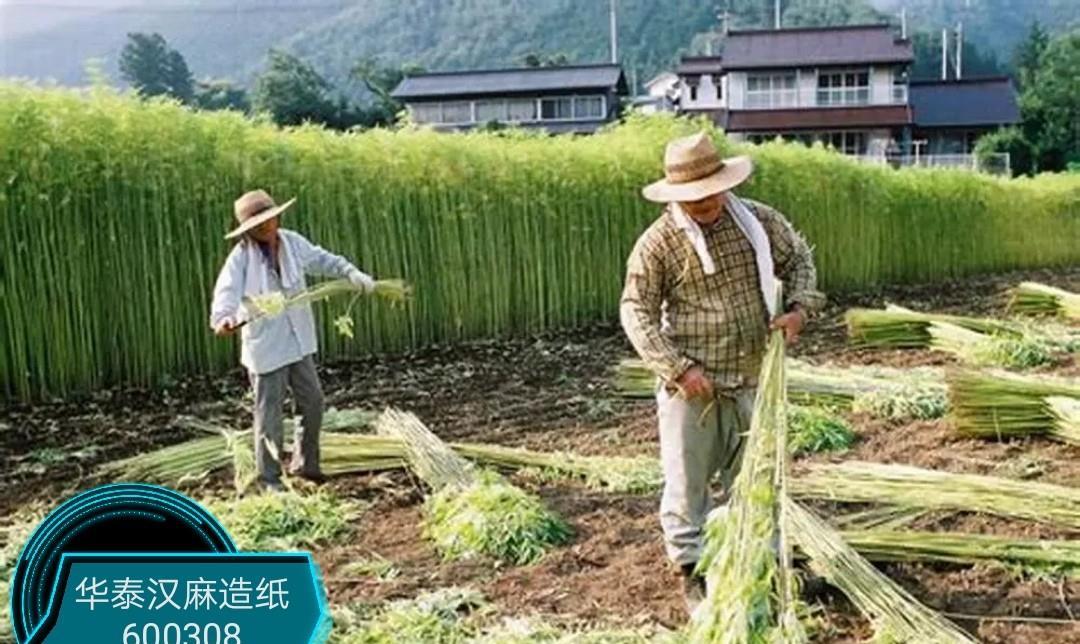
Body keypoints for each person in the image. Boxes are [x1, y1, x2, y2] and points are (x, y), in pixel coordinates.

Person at [619, 132, 824, 612]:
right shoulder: (659, 244)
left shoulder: (757, 222)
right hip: (694, 387)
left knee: (757, 479)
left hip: (754, 376)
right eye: (693, 196)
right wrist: (677, 368)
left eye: (711, 191)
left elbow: (800, 261)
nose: (705, 202)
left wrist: (798, 310)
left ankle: (764, 565)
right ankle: (692, 570)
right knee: (688, 484)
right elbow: (636, 311)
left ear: (723, 183)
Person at [209, 189, 376, 492]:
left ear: (276, 216)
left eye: (268, 219)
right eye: (257, 224)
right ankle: (269, 479)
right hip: (267, 347)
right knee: (269, 414)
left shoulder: (292, 242)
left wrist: (350, 272)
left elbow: (322, 260)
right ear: (248, 229)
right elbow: (226, 295)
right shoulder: (242, 257)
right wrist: (224, 319)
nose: (265, 227)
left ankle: (306, 464)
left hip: (298, 340)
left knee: (313, 401)